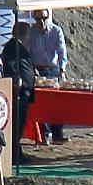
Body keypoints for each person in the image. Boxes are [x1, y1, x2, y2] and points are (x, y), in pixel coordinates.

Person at [28, 9, 69, 144]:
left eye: (44, 18)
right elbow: (28, 52)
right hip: (38, 71)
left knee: (58, 103)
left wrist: (62, 70)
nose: (41, 22)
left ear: (48, 17)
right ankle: (44, 134)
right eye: (38, 19)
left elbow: (62, 51)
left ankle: (58, 133)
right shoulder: (31, 32)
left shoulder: (56, 31)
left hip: (53, 70)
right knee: (40, 103)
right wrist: (32, 69)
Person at [1, 22, 35, 163]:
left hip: (25, 90)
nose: (29, 36)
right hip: (18, 91)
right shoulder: (12, 47)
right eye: (28, 33)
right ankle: (14, 154)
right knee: (17, 123)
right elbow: (12, 66)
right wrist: (18, 80)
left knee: (20, 123)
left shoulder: (18, 46)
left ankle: (17, 151)